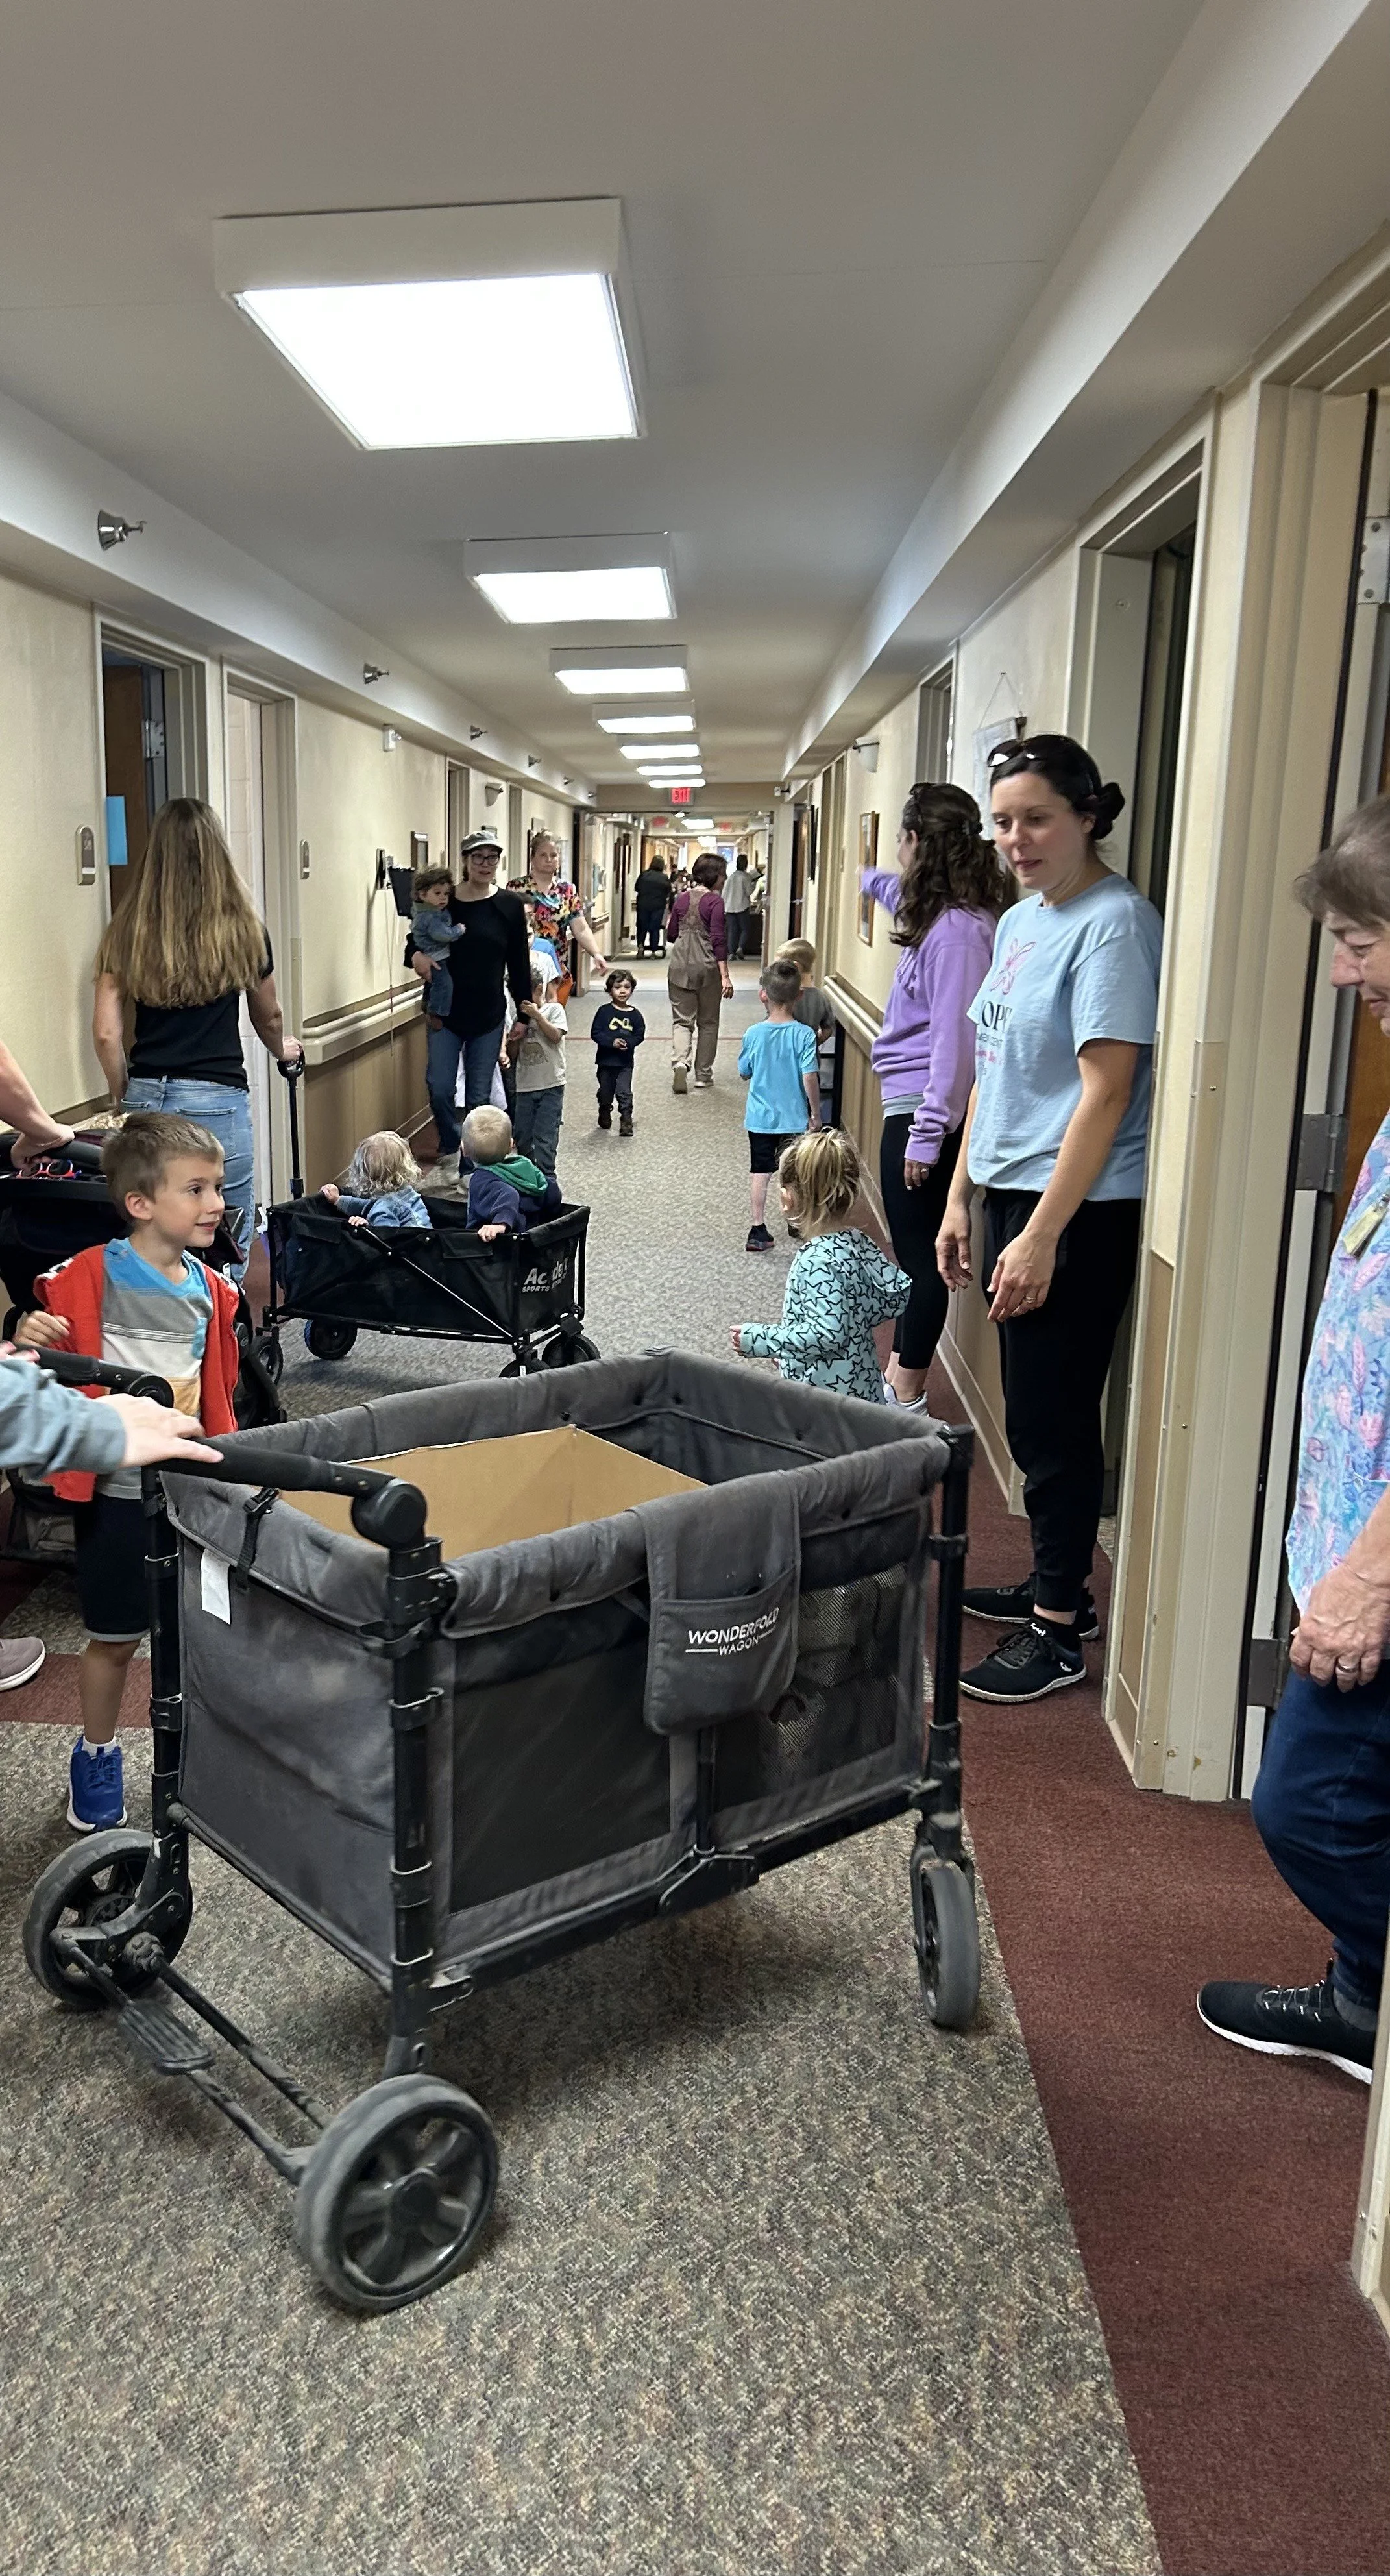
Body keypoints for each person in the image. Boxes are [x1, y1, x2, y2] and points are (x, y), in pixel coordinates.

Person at [1199, 795, 1390, 2085]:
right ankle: (1361, 1995)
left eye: (1360, 939)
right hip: (1349, 1533)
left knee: (1309, 1803)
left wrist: (1367, 1575)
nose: (1340, 970)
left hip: (1375, 1559)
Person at [936, 733, 1162, 1706]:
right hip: (1010, 1191)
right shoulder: (1025, 918)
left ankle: (1059, 1630)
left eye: (1036, 819)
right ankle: (1054, 1583)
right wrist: (962, 1194)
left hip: (1076, 1208)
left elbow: (1105, 1093)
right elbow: (992, 1072)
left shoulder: (1115, 926)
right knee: (1033, 1413)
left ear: (1088, 816)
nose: (1015, 839)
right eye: (1002, 822)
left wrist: (1040, 1235)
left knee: (1053, 1418)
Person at [15, 1114, 240, 1831]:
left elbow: (217, 1389)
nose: (216, 1203)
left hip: (185, 1492)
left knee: (197, 1630)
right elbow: (36, 1345)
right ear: (140, 1203)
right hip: (114, 1494)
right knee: (115, 1639)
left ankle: (201, 1750)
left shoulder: (213, 1288)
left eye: (218, 1187)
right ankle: (97, 1752)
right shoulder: (89, 1275)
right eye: (196, 1189)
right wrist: (28, 1329)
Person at [92, 797, 302, 1277]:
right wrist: (283, 1049)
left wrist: (124, 1093)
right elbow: (269, 1016)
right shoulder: (244, 930)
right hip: (216, 1100)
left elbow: (106, 1032)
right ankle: (218, 1320)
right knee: (225, 1232)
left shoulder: (127, 930)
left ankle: (158, 1318)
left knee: (148, 1231)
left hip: (148, 1096)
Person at [861, 784, 1005, 1410]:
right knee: (912, 1257)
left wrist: (928, 1133)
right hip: (913, 1102)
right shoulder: (943, 918)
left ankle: (907, 1394)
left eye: (900, 840)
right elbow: (896, 889)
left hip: (925, 1111)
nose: (896, 852)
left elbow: (957, 1044)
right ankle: (898, 1379)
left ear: (918, 842)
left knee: (921, 1264)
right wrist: (868, 878)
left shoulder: (957, 935)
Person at [731, 1129, 912, 1401]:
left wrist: (761, 1339)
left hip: (825, 1401)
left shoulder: (817, 1261)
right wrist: (792, 1355)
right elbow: (891, 1299)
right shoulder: (856, 1241)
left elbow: (827, 1334)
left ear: (787, 1199)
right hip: (861, 1383)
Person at [406, 829, 531, 1182]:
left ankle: (471, 1165)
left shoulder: (509, 905)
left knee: (478, 1096)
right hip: (444, 1014)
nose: (485, 864)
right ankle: (450, 1143)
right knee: (440, 1087)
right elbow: (416, 937)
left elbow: (519, 963)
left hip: (488, 1014)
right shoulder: (446, 900)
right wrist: (415, 956)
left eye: (492, 857)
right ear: (465, 861)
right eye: (477, 857)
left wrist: (523, 1015)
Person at [738, 957, 820, 1252]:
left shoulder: (753, 1033)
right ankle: (795, 1220)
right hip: (794, 1118)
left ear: (764, 995)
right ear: (800, 995)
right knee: (793, 1172)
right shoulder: (805, 1035)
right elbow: (809, 1076)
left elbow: (744, 1071)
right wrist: (815, 1113)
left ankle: (758, 1229)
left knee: (760, 1171)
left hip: (760, 1118)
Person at [668, 853, 734, 1094]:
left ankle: (680, 1062)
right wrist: (725, 976)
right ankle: (703, 1076)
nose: (724, 879)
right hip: (707, 968)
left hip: (680, 966)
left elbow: (671, 934)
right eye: (722, 874)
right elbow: (718, 940)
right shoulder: (715, 902)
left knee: (682, 1021)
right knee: (708, 1022)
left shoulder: (682, 899)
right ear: (714, 875)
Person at [513, 833, 608, 990]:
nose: (549, 860)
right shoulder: (517, 888)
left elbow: (580, 928)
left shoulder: (566, 890)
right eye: (543, 855)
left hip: (557, 962)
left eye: (553, 855)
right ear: (532, 858)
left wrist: (596, 954)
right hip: (526, 961)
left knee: (555, 1004)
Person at [462, 1105, 563, 1239]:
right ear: (511, 1145)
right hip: (532, 1237)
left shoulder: (481, 1179)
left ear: (464, 1150)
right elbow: (551, 1189)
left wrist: (500, 1223)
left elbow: (509, 1194)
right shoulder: (523, 1166)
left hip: (492, 1244)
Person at [509, 957, 567, 1177]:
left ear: (539, 989)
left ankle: (547, 1176)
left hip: (551, 1084)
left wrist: (536, 1016)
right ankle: (529, 1175)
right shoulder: (517, 1018)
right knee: (523, 1136)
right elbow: (514, 1055)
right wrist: (514, 1039)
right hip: (525, 1086)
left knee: (546, 1135)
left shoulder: (554, 1010)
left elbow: (555, 1036)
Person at [776, 939, 838, 1125]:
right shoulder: (821, 997)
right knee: (806, 1105)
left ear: (795, 967)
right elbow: (828, 1028)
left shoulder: (786, 998)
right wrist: (815, 1042)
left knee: (783, 1105)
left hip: (784, 1060)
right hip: (811, 1061)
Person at [320, 1132, 431, 1230]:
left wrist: (369, 1226)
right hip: (426, 1240)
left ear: (363, 1176)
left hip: (408, 1246)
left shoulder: (383, 1211)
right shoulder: (407, 1192)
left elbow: (387, 1238)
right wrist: (339, 1200)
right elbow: (369, 1206)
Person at [590, 970, 645, 1136]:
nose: (622, 991)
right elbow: (596, 1033)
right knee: (606, 1092)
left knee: (624, 1092)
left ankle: (626, 1121)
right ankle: (604, 1108)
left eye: (627, 987)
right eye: (618, 987)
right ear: (610, 990)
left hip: (625, 1063)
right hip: (606, 1061)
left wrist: (629, 1043)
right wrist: (611, 1042)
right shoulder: (604, 1011)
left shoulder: (635, 1015)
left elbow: (639, 1035)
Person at [409, 865, 468, 1023]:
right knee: (444, 984)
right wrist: (458, 930)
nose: (443, 898)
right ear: (423, 895)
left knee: (434, 983)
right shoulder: (430, 916)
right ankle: (436, 1011)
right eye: (438, 894)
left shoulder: (429, 910)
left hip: (436, 954)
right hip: (436, 955)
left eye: (446, 894)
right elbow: (442, 934)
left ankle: (428, 1004)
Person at [633, 855, 669, 958]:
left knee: (641, 927)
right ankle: (653, 951)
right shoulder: (664, 878)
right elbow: (668, 891)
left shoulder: (644, 875)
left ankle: (641, 947)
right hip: (658, 906)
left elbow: (637, 888)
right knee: (655, 928)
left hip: (643, 905)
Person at [723, 853, 753, 961]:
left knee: (732, 931)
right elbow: (749, 892)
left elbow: (724, 893)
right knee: (745, 929)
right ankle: (740, 948)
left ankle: (731, 953)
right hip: (742, 906)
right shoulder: (745, 877)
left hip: (729, 907)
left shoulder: (731, 877)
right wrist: (753, 883)